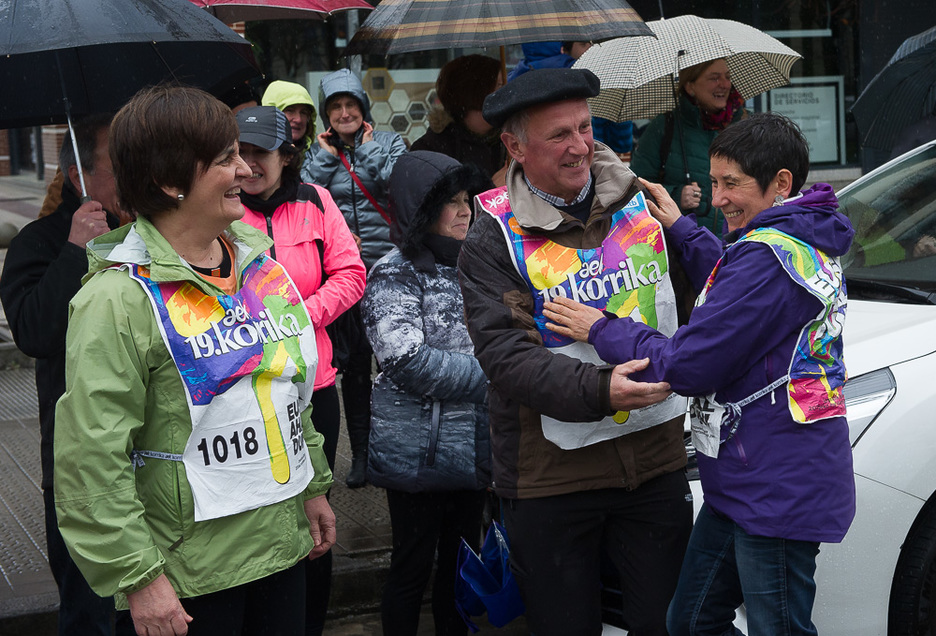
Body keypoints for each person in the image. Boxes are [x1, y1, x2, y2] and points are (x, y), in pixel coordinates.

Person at [545, 113, 856, 635]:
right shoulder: (788, 236)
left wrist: (603, 328)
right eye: (714, 182)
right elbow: (738, 285)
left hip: (774, 485)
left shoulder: (769, 257)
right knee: (690, 621)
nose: (718, 199)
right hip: (749, 478)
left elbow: (689, 364)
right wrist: (682, 227)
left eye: (732, 184)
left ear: (782, 183)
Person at [53, 85, 336, 636]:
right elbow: (91, 455)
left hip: (280, 547)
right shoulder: (116, 300)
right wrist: (138, 577)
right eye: (226, 159)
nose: (245, 171)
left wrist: (313, 486)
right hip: (191, 578)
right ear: (171, 181)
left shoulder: (260, 266)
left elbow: (285, 389)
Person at [457, 67, 693, 636]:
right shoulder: (492, 234)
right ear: (514, 146)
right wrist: (601, 390)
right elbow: (507, 358)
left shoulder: (643, 202)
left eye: (585, 127)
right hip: (552, 480)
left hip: (656, 461)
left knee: (667, 625)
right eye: (559, 135)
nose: (581, 146)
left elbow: (695, 304)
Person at [236, 105, 366, 636]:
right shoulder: (221, 212)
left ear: (287, 156)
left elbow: (351, 272)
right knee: (260, 512)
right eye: (237, 154)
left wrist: (302, 315)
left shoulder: (317, 201)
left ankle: (310, 622)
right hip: (249, 390)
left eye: (259, 154)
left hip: (315, 385)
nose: (247, 166)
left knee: (317, 513)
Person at [0, 113, 126, 636]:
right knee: (92, 611)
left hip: (151, 459)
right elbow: (34, 333)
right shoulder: (41, 241)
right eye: (120, 165)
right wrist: (76, 250)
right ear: (79, 177)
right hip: (80, 465)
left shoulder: (152, 234)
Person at [362, 150, 492, 636]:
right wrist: (497, 374)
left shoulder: (479, 263)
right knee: (411, 568)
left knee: (462, 570)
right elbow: (405, 360)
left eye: (467, 200)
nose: (465, 211)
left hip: (475, 448)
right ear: (421, 208)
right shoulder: (393, 272)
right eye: (451, 202)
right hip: (417, 454)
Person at [302, 68, 407, 488]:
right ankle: (361, 454)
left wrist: (364, 152)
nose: (344, 113)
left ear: (362, 108)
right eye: (336, 107)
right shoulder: (317, 150)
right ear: (327, 114)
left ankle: (395, 447)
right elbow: (309, 192)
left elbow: (397, 186)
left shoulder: (387, 142)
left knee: (396, 362)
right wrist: (328, 155)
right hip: (344, 277)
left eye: (351, 105)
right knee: (355, 367)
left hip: (388, 270)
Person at [630, 58, 747, 234]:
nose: (724, 84)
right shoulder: (665, 126)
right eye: (714, 78)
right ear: (690, 86)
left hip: (739, 242)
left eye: (727, 76)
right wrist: (675, 195)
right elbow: (636, 186)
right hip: (683, 245)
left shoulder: (747, 126)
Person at [508, 41, 634, 160]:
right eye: (583, 44)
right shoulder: (586, 80)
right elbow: (622, 143)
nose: (591, 49)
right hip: (591, 164)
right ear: (564, 48)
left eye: (584, 127)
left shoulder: (516, 77)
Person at [410, 54, 507, 181]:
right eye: (499, 85)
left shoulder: (510, 141)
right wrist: (491, 192)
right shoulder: (430, 151)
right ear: (475, 91)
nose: (506, 92)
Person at [262, 79, 318, 156]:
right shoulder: (251, 155)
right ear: (270, 114)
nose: (298, 119)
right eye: (290, 111)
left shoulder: (320, 155)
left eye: (304, 112)